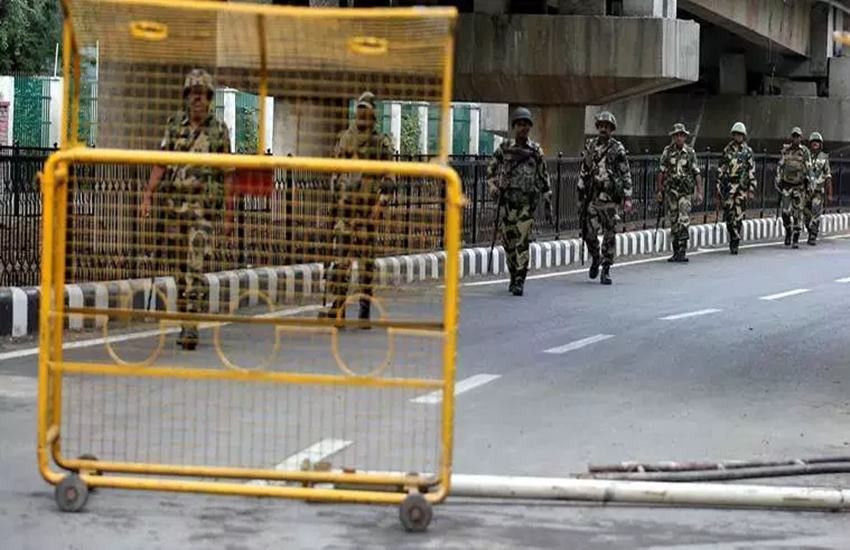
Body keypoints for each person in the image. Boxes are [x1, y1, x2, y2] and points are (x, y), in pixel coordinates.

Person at [140, 69, 233, 350]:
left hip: (203, 212)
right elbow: (161, 163)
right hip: (175, 211)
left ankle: (191, 327)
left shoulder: (219, 131)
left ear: (209, 98)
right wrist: (148, 195)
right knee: (180, 271)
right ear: (186, 97)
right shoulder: (174, 126)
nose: (198, 100)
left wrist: (229, 215)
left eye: (203, 95)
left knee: (194, 267)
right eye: (193, 94)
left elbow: (228, 174)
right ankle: (185, 319)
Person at [319, 91, 394, 326]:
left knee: (365, 264)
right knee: (341, 261)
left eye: (366, 110)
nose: (362, 114)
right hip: (345, 211)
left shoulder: (380, 143)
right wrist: (333, 203)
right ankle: (338, 309)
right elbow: (336, 172)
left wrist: (381, 203)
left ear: (373, 114)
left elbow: (390, 177)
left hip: (367, 213)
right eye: (359, 109)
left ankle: (364, 310)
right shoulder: (344, 138)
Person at [486, 107, 552, 296]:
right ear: (514, 126)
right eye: (520, 124)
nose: (523, 128)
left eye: (526, 125)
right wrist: (493, 187)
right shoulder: (505, 148)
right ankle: (513, 273)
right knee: (508, 243)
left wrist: (547, 201)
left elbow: (543, 177)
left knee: (522, 242)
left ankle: (520, 279)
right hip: (508, 204)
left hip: (526, 205)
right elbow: (491, 170)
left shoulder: (535, 150)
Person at [578, 111, 633, 285]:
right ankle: (596, 257)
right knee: (589, 233)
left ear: (611, 129)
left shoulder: (617, 149)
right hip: (593, 196)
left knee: (609, 234)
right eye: (601, 126)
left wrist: (628, 197)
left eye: (607, 127)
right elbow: (584, 169)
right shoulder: (590, 146)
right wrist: (580, 191)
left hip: (609, 198)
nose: (603, 129)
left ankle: (606, 269)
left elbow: (625, 173)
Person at [657, 123, 703, 263]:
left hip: (685, 192)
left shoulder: (690, 152)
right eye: (676, 135)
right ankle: (675, 250)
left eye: (681, 135)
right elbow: (661, 171)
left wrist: (699, 191)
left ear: (685, 137)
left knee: (683, 219)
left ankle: (682, 251)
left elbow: (696, 172)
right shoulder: (667, 152)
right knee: (674, 220)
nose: (678, 138)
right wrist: (659, 190)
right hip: (672, 192)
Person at [716, 122, 756, 255]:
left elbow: (751, 170)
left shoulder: (747, 151)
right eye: (736, 134)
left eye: (740, 134)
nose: (738, 137)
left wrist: (751, 188)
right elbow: (721, 168)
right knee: (729, 214)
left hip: (741, 188)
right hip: (728, 187)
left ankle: (735, 241)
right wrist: (718, 184)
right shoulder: (727, 150)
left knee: (739, 215)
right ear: (733, 135)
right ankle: (733, 234)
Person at [775, 127, 812, 249]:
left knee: (797, 214)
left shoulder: (804, 152)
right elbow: (780, 166)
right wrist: (778, 180)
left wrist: (810, 183)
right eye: (794, 136)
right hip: (787, 186)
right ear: (791, 137)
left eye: (798, 137)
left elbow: (809, 168)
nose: (796, 139)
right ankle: (788, 231)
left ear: (801, 138)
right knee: (785, 212)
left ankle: (795, 237)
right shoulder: (786, 150)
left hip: (799, 187)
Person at [804, 131, 832, 246]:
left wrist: (829, 193)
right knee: (806, 214)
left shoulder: (824, 158)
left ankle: (813, 235)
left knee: (816, 212)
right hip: (806, 190)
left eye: (817, 142)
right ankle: (810, 229)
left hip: (818, 191)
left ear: (820, 144)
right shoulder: (806, 156)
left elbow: (828, 176)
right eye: (813, 142)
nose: (815, 144)